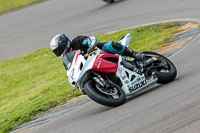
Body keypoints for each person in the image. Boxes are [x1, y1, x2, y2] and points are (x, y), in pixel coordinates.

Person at [50, 34, 144, 66]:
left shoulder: (78, 40)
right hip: (93, 64)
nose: (59, 53)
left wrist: (91, 45)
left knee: (109, 45)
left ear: (64, 45)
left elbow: (90, 40)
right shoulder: (68, 58)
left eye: (59, 50)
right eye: (56, 52)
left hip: (101, 51)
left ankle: (134, 54)